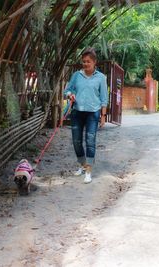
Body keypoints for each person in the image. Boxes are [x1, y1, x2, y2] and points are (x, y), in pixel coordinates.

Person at [64, 48, 108, 184]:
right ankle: (82, 165)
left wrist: (103, 115)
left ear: (94, 62)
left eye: (88, 62)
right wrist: (70, 94)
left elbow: (104, 98)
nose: (85, 64)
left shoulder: (101, 77)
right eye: (83, 62)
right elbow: (67, 90)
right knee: (76, 142)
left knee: (90, 141)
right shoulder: (76, 75)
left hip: (93, 113)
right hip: (77, 112)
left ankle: (88, 171)